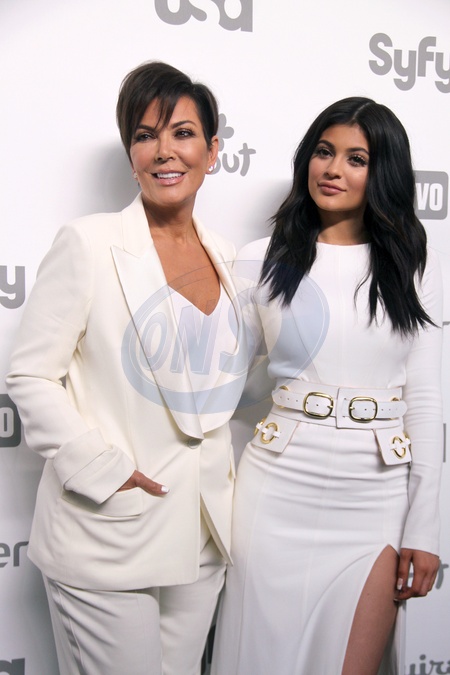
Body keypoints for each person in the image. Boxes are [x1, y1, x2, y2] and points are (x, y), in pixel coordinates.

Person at [7, 61, 247, 675]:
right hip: (107, 532)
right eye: (145, 135)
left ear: (212, 150)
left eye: (183, 133)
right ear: (131, 154)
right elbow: (30, 374)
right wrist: (100, 469)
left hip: (201, 536)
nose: (164, 151)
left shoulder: (227, 256)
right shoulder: (88, 243)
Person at [211, 97, 443, 675]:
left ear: (383, 172)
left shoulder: (413, 266)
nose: (333, 169)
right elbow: (225, 386)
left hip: (375, 498)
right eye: (324, 151)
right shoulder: (260, 259)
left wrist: (426, 529)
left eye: (356, 159)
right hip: (274, 491)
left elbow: (425, 403)